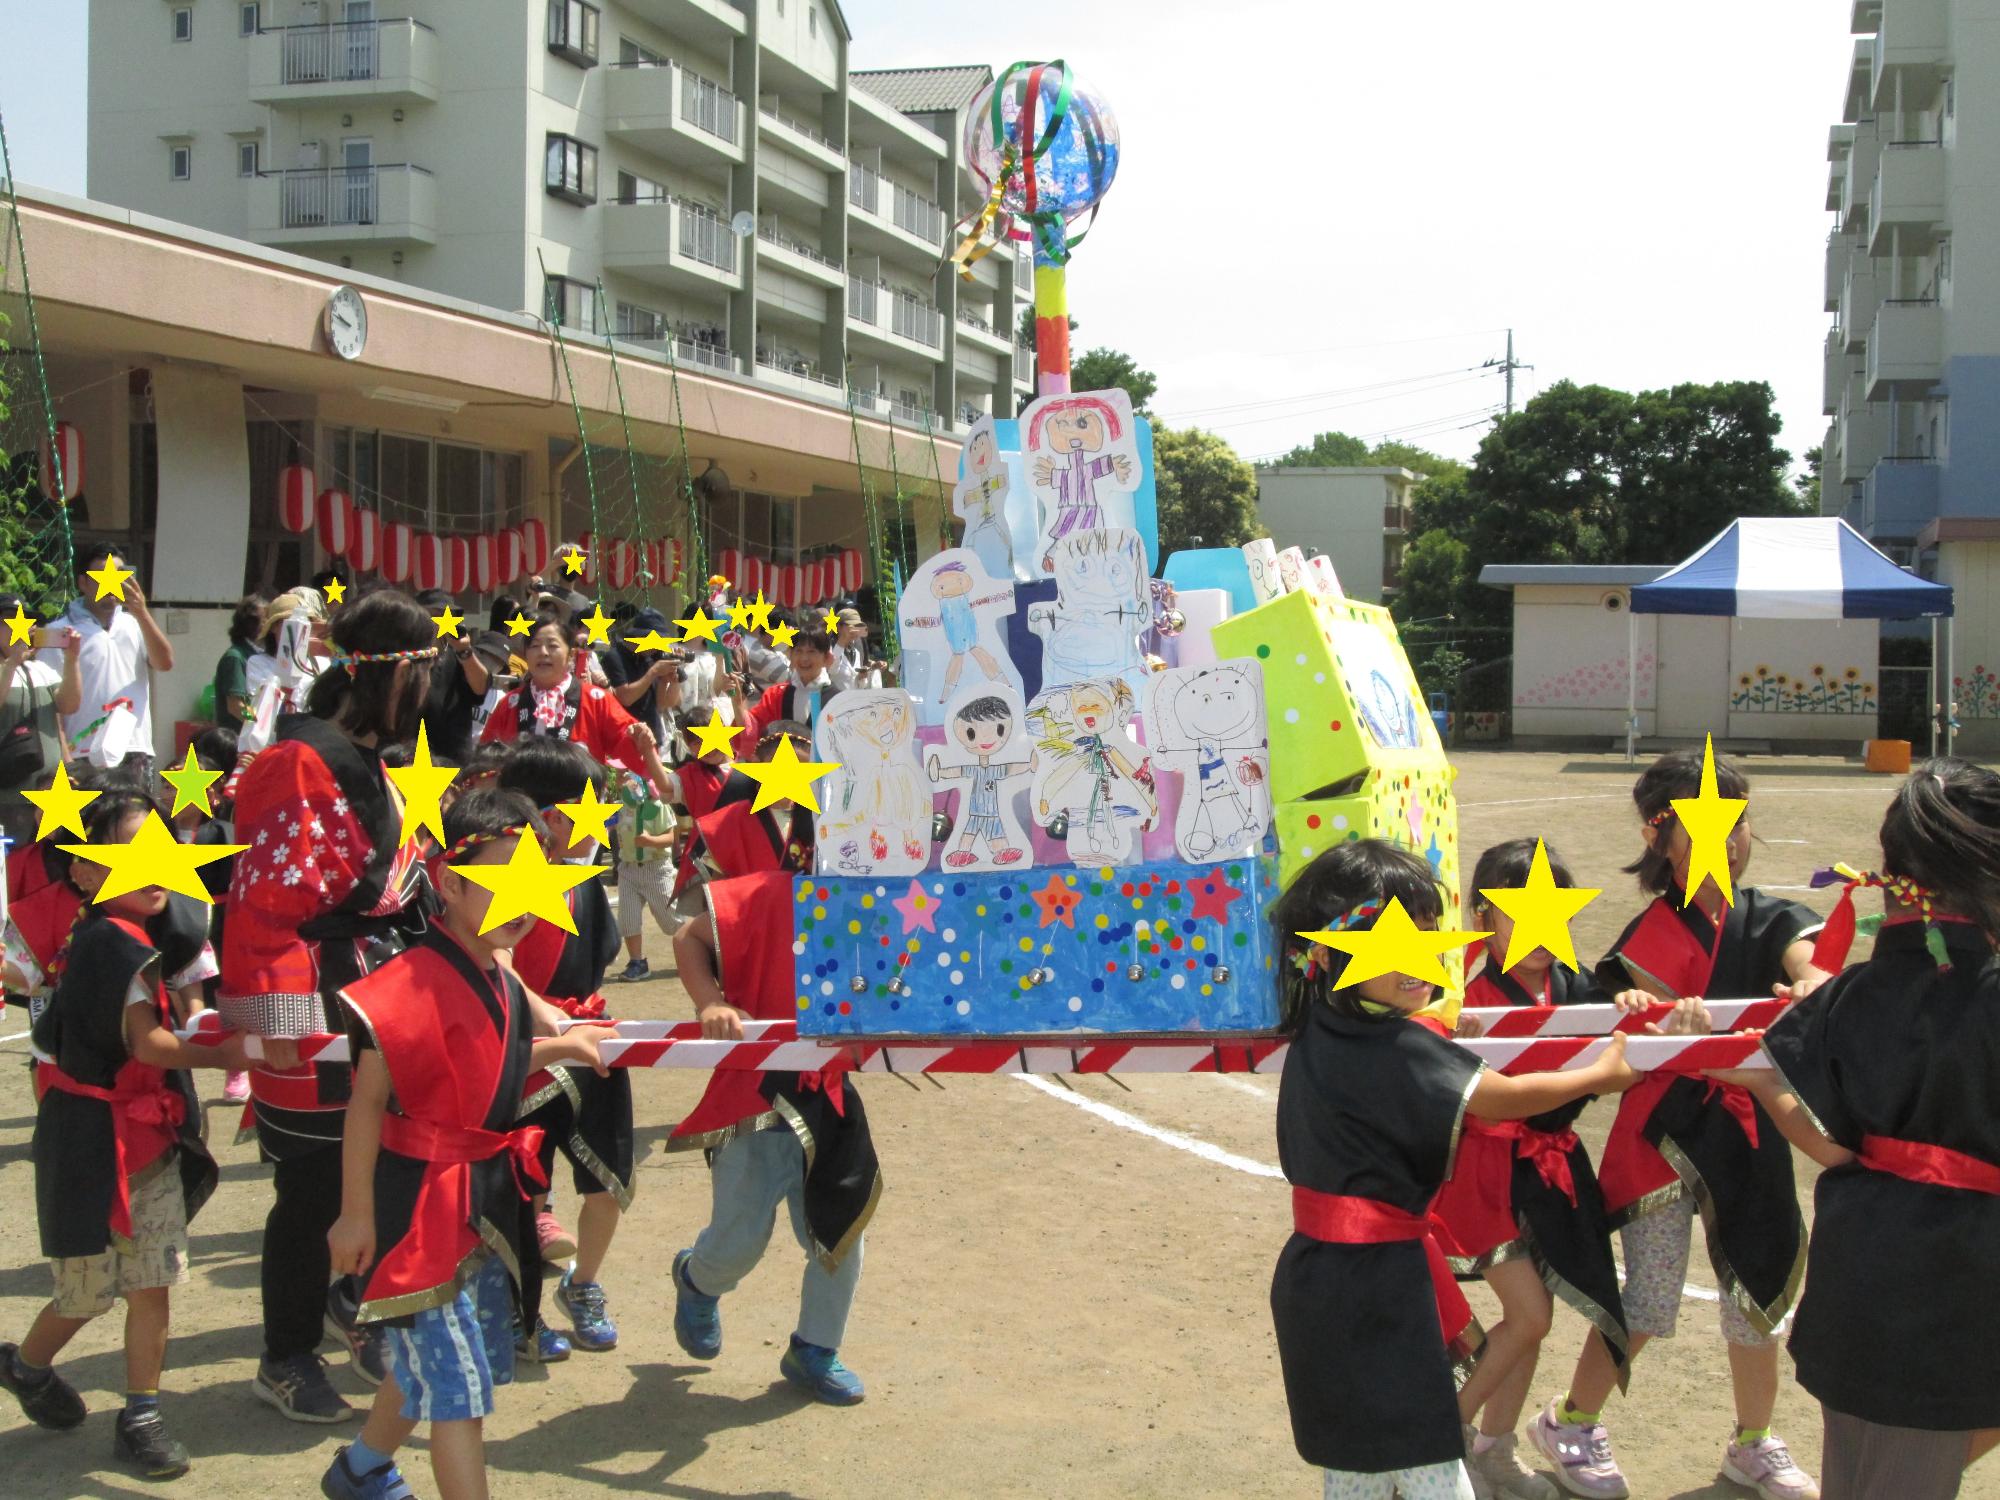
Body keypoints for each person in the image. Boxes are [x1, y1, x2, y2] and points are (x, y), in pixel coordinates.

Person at [1267, 840, 1641, 1500]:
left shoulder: (1319, 1027)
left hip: (1316, 1278)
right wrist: (1602, 1074)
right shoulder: (1399, 1045)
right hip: (1377, 1284)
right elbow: (1503, 1097)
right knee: (1424, 1462)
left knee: (1357, 1464)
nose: (1427, 960)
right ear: (1335, 954)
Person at [1533, 751, 1828, 1500]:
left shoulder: (1773, 917)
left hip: (1749, 1124)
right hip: (1660, 1132)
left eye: (1735, 820)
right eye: (1700, 825)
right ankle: (1569, 1421)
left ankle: (1754, 1442)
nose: (1724, 838)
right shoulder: (1648, 933)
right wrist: (1655, 1017)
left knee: (1754, 1296)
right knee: (1649, 1301)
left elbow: (1807, 959)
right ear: (1659, 838)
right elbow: (1640, 1010)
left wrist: (1810, 983)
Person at [321, 788, 614, 1500]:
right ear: (448, 882)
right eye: (500, 877)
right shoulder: (401, 986)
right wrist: (354, 1212)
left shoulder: (501, 978)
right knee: (460, 1395)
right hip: (418, 1206)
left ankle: (360, 1468)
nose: (520, 897)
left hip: (481, 1199)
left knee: (440, 1363)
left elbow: (490, 1069)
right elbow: (366, 1103)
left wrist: (561, 1047)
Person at [1737, 759, 2000, 1500]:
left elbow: (1831, 1144)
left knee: (1863, 1472)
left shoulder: (1852, 995)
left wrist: (1760, 1078)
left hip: (1862, 1269)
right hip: (1956, 1284)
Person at [0, 790, 281, 1480]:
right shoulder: (106, 943)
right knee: (86, 1292)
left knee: (152, 1282)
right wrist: (228, 1052)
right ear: (88, 874)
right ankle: (27, 1366)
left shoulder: (136, 939)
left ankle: (142, 1413)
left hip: (146, 1139)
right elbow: (148, 1045)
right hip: (93, 1139)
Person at [218, 589, 439, 1424]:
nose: (430, 691)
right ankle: (284, 1355)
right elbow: (262, 901)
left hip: (376, 991)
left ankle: (352, 1300)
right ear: (392, 675)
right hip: (311, 997)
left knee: (380, 1169)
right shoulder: (297, 761)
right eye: (423, 672)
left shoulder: (361, 757)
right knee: (312, 1187)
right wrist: (276, 1020)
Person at [1436, 840, 1631, 1500]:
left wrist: (1634, 1007)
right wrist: (1447, 1022)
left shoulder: (1574, 985)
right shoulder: (1456, 983)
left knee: (1536, 1313)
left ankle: (1492, 1452)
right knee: (1530, 1315)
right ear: (1485, 914)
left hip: (1548, 1168)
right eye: (1522, 912)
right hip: (1479, 1170)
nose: (1543, 930)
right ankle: (1441, 1444)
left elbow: (1619, 1031)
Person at [668, 814, 881, 1405]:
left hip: (830, 1094)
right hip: (754, 1092)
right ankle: (696, 1279)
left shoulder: (885, 902)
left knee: (841, 1228)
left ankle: (815, 1348)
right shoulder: (764, 893)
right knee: (738, 1240)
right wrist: (710, 1000)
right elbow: (688, 937)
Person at [495, 739, 633, 1358]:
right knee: (519, 1182)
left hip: (592, 1039)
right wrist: (540, 1012)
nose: (601, 819)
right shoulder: (502, 882)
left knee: (607, 1180)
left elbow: (595, 966)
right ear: (551, 817)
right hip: (526, 1051)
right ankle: (515, 1306)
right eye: (592, 807)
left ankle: (584, 1286)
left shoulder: (585, 878)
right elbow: (493, 959)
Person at [477, 610, 674, 800]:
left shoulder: (597, 700)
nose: (543, 652)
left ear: (571, 655)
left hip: (579, 819)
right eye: (535, 646)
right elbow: (484, 763)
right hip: (521, 816)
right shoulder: (510, 703)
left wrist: (645, 745)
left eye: (552, 645)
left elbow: (635, 750)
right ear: (526, 655)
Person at [39, 544, 175, 776]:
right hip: (82, 752)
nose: (113, 583)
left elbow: (165, 663)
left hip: (134, 749)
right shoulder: (58, 631)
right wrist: (65, 755)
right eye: (102, 576)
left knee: (138, 813)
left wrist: (142, 612)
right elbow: (50, 704)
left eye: (120, 575)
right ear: (83, 583)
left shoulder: (135, 623)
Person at [0, 594, 82, 847]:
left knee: (50, 868)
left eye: (27, 621)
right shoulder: (8, 669)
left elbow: (69, 705)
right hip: (9, 795)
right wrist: (12, 663)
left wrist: (71, 659)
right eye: (10, 621)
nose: (22, 627)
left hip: (52, 797)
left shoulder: (41, 670)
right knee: (12, 870)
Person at [414, 590, 492, 765]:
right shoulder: (406, 654)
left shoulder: (461, 654)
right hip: (410, 756)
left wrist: (464, 651)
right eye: (431, 615)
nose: (436, 622)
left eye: (443, 616)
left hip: (452, 757)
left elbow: (480, 688)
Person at [734, 629, 838, 743]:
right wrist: (737, 704)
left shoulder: (837, 699)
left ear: (827, 657)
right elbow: (753, 731)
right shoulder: (776, 695)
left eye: (811, 652)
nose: (804, 658)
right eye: (798, 651)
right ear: (790, 655)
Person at [213, 594, 271, 727]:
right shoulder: (235, 657)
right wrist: (258, 724)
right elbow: (236, 706)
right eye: (266, 620)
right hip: (237, 740)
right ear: (250, 624)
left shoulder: (262, 655)